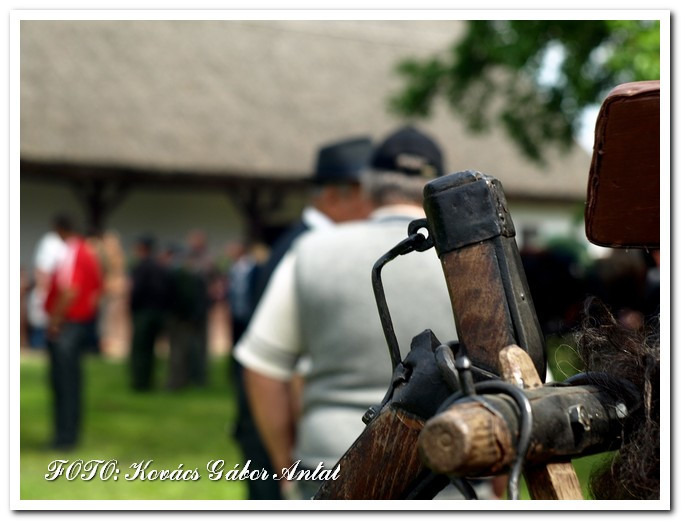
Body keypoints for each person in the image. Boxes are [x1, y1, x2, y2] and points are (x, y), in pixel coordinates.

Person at [234, 126, 478, 499]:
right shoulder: (476, 262)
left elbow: (262, 366)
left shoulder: (311, 251)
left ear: (370, 186)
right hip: (453, 467)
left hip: (330, 470)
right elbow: (520, 377)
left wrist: (284, 468)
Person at [231, 135, 374, 500]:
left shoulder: (311, 245)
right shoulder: (304, 252)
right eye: (368, 192)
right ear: (334, 195)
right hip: (281, 428)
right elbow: (281, 365)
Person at [44, 215, 102, 449]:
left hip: (69, 324)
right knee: (71, 384)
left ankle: (64, 438)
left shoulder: (73, 251)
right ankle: (68, 435)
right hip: (79, 323)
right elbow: (97, 289)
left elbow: (70, 289)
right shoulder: (87, 253)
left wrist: (56, 321)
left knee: (64, 384)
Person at [129, 235, 169, 391]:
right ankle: (149, 380)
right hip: (158, 313)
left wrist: (132, 309)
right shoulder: (161, 267)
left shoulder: (141, 267)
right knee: (151, 348)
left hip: (143, 313)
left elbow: (136, 291)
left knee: (140, 349)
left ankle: (140, 383)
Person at [27, 215, 69, 348]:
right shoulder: (51, 242)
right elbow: (42, 270)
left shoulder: (64, 244)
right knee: (41, 330)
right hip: (48, 292)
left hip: (57, 294)